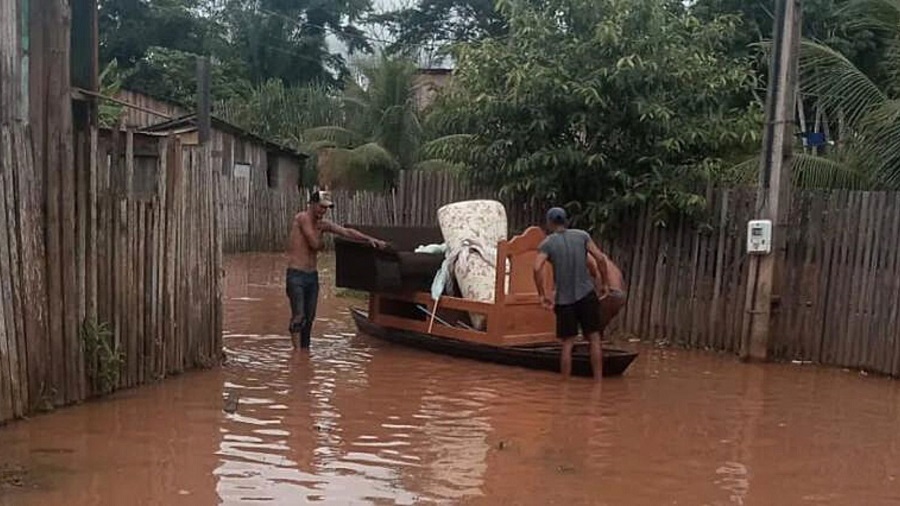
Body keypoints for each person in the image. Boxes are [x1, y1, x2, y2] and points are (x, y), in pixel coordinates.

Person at [286, 190, 387, 350]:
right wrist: (322, 237)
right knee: (299, 316)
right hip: (296, 275)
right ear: (311, 205)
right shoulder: (302, 218)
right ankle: (297, 356)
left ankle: (305, 353)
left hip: (312, 275)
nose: (323, 211)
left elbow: (346, 232)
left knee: (310, 318)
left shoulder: (322, 224)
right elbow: (315, 244)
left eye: (325, 208)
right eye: (321, 207)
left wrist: (370, 239)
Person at [533, 207, 607, 379]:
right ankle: (598, 383)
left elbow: (537, 268)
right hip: (587, 294)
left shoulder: (548, 243)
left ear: (549, 223)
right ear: (566, 221)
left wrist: (542, 294)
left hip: (564, 300)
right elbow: (599, 259)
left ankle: (564, 388)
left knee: (568, 343)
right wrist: (604, 284)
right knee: (594, 338)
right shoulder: (582, 236)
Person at [587, 251, 627, 339]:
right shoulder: (608, 262)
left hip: (610, 293)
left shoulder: (587, 255)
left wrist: (599, 291)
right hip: (620, 295)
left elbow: (597, 272)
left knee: (591, 327)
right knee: (598, 326)